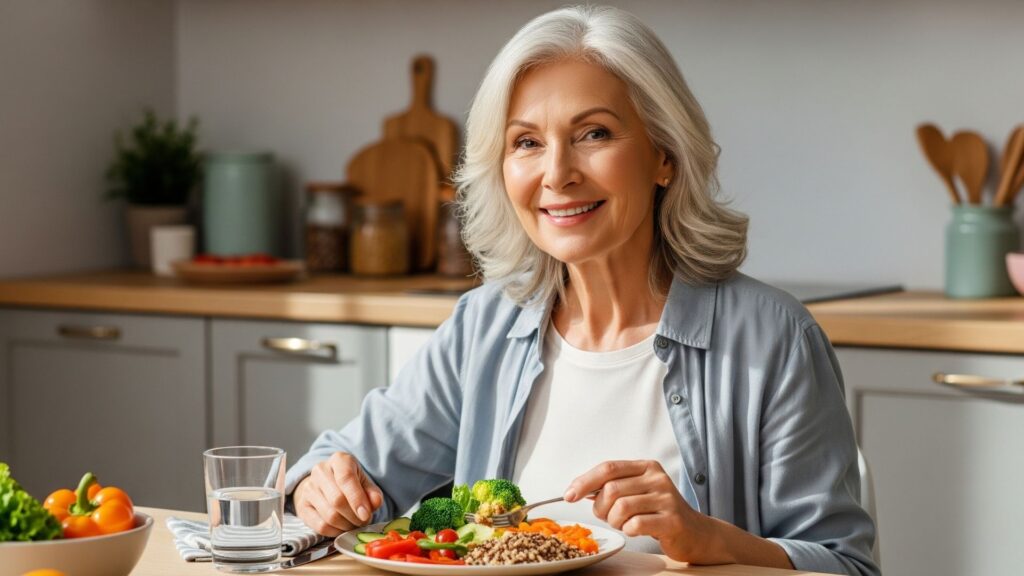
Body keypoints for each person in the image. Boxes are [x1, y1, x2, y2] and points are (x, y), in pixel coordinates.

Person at [286, 5, 878, 575]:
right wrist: (321, 488)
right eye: (526, 142)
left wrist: (707, 538)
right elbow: (337, 468)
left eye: (594, 133)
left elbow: (845, 565)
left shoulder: (774, 338)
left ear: (664, 156)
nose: (557, 173)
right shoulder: (487, 325)